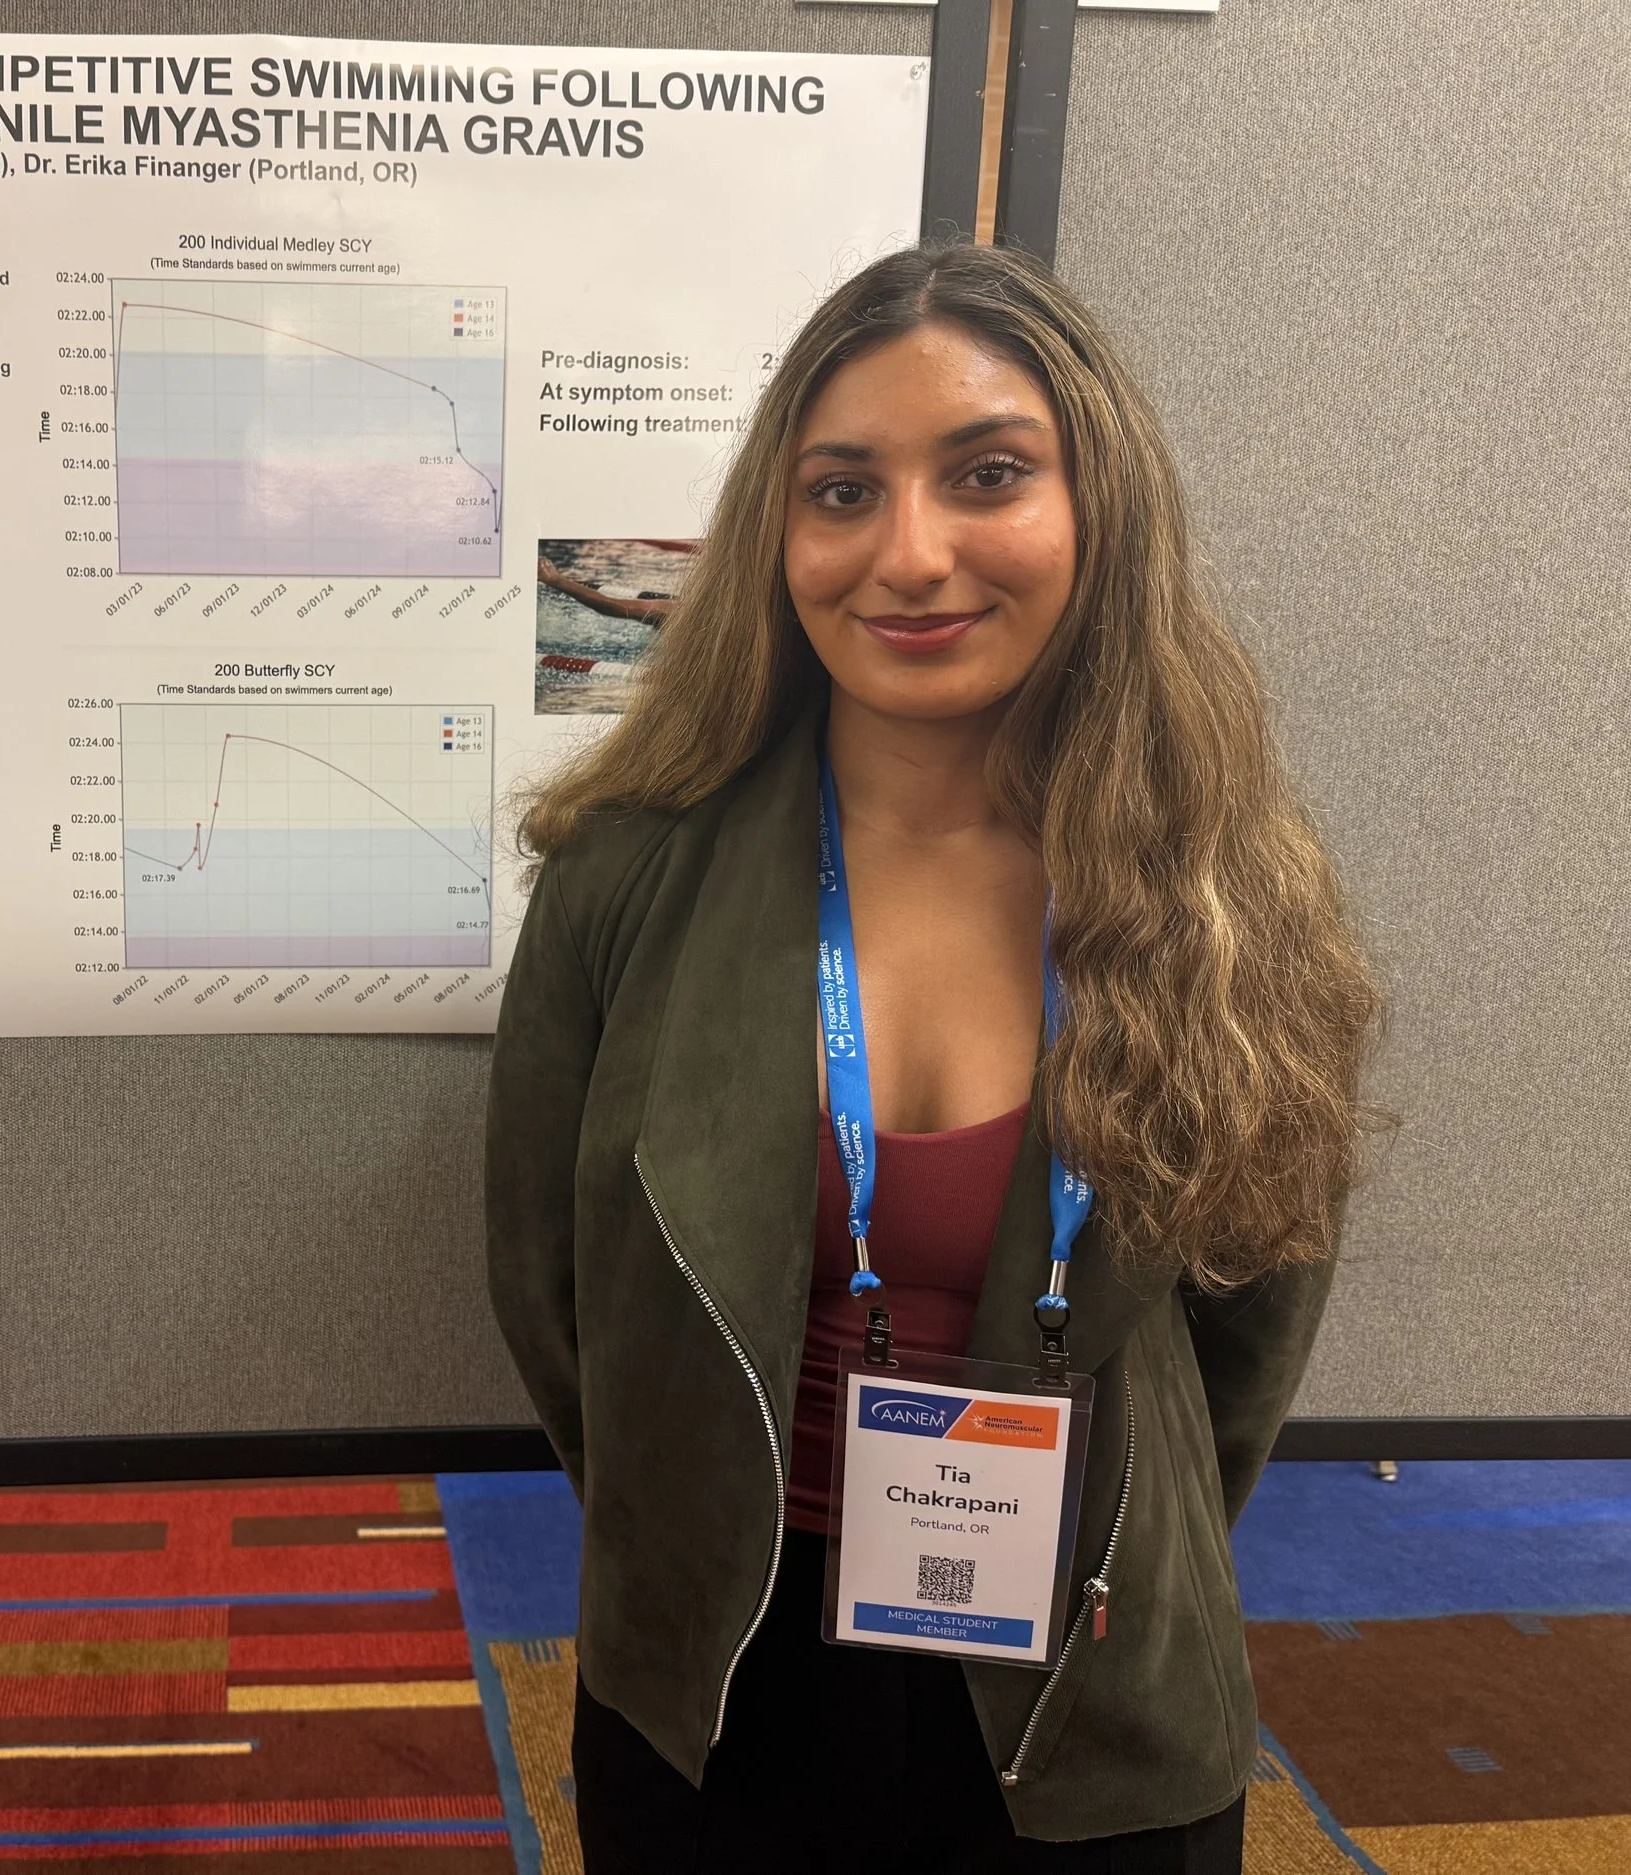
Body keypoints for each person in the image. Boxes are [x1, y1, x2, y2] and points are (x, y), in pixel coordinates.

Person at [485, 241, 1381, 1871]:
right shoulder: (626, 871)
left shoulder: (1221, 887)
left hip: (1086, 1682)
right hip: (717, 1675)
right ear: (780, 532)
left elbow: (1249, 1327)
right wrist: (680, 1524)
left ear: (1095, 503)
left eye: (987, 475)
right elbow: (558, 1293)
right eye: (842, 492)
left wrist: (1104, 1538)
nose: (910, 555)